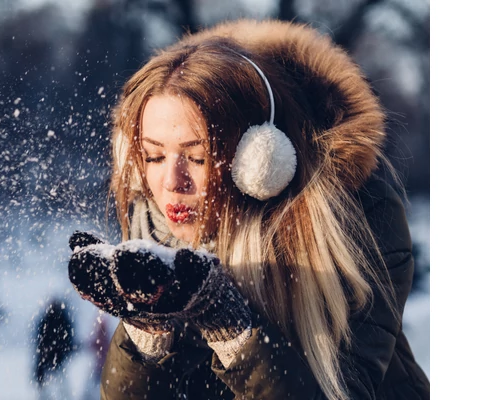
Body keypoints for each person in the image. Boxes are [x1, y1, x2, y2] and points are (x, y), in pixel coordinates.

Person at [67, 18, 430, 400]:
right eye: (154, 156)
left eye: (197, 157)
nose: (172, 182)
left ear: (258, 161)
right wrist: (147, 333)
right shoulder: (153, 229)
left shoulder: (357, 224)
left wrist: (230, 326)